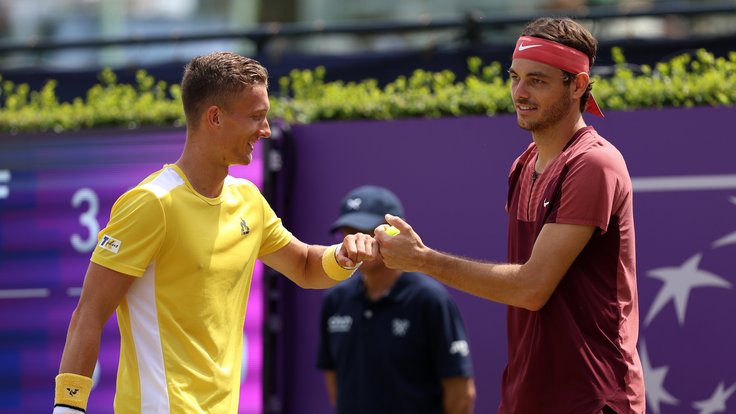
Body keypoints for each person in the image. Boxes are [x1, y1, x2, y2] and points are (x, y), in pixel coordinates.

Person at [53, 52, 377, 414]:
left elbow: (304, 265)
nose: (266, 129)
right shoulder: (151, 204)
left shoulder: (248, 200)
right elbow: (90, 313)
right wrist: (68, 407)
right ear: (215, 118)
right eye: (257, 116)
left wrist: (343, 255)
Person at [375, 17, 645, 414]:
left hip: (593, 398)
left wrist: (421, 259)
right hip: (527, 396)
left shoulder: (594, 164)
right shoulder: (523, 165)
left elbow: (531, 289)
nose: (520, 92)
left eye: (538, 80)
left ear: (578, 86)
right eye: (515, 78)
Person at [317, 185, 475, 414]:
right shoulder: (335, 299)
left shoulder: (430, 300)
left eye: (368, 231)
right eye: (350, 231)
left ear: (395, 233)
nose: (359, 241)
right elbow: (333, 376)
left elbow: (460, 393)